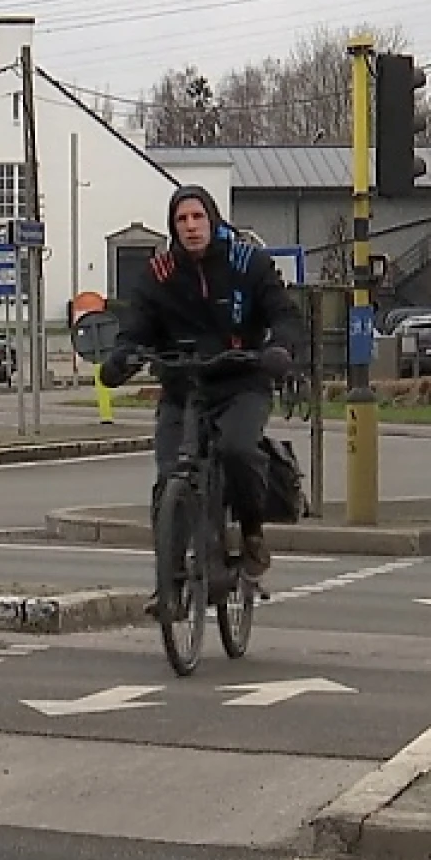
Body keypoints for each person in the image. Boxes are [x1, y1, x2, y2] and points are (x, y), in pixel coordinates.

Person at [100, 184, 301, 594]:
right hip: (183, 387)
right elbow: (136, 327)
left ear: (212, 219)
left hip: (241, 382)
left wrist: (278, 348)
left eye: (198, 217)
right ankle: (168, 582)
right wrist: (123, 356)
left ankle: (251, 532)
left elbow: (283, 313)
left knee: (237, 450)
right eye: (181, 220)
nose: (191, 227)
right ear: (173, 227)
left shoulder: (249, 263)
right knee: (169, 477)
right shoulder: (159, 275)